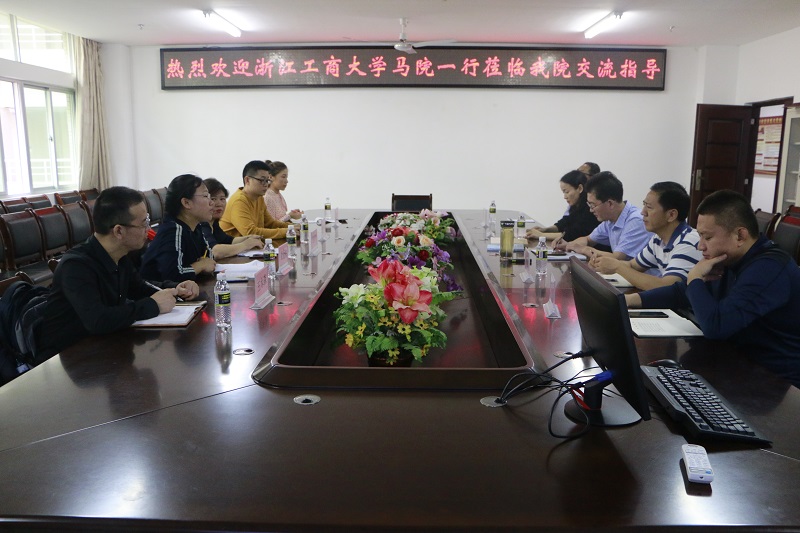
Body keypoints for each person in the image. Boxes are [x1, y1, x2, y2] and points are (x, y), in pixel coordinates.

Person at [627, 190, 800, 388]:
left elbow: (716, 326)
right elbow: (681, 292)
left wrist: (695, 279)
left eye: (707, 237)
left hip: (774, 381)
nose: (700, 246)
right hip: (736, 362)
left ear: (740, 235)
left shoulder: (768, 268)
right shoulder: (731, 258)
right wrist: (629, 301)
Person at [35, 186, 200, 362]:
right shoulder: (76, 266)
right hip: (67, 358)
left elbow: (139, 288)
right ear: (119, 231)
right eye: (144, 223)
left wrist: (176, 288)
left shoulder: (119, 255)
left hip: (103, 348)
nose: (148, 229)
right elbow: (98, 320)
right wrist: (153, 305)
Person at [593, 181, 702, 290]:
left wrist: (617, 267)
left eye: (649, 207)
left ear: (671, 215)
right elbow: (633, 265)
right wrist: (604, 263)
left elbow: (666, 286)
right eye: (644, 205)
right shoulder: (658, 239)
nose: (643, 212)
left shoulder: (688, 242)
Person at [141, 174, 219, 282]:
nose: (212, 202)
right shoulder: (172, 231)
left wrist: (204, 264)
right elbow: (172, 275)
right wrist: (200, 265)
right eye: (205, 196)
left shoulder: (196, 226)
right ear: (186, 203)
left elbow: (209, 258)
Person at [559, 171, 652, 261]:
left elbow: (616, 258)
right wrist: (568, 245)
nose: (591, 210)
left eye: (593, 205)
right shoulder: (610, 220)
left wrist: (583, 249)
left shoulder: (636, 221)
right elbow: (588, 239)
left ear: (610, 203)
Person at [219, 160, 290, 240]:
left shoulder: (259, 198)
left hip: (252, 244)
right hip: (234, 246)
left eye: (267, 181)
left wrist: (292, 227)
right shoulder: (239, 201)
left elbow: (270, 223)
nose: (266, 184)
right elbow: (251, 232)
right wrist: (286, 231)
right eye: (262, 180)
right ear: (247, 180)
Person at [526, 170, 599, 242]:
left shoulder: (589, 209)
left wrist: (541, 235)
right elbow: (564, 223)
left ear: (580, 188)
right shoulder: (576, 206)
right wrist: (545, 230)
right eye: (563, 192)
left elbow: (572, 235)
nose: (565, 197)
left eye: (567, 192)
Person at [202, 177, 263, 258]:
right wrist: (245, 245)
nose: (219, 204)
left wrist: (248, 238)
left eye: (222, 199)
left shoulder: (214, 222)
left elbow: (228, 240)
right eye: (213, 199)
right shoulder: (201, 224)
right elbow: (215, 251)